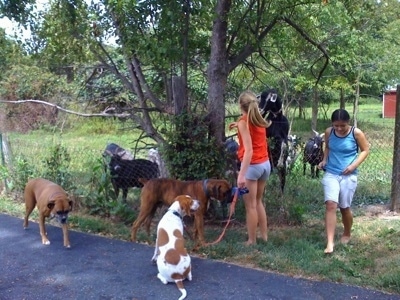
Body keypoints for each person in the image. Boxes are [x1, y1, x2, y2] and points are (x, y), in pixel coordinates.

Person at [318, 108, 369, 254]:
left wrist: (353, 166)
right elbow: (327, 147)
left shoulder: (356, 133)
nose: (339, 129)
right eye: (336, 126)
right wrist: (324, 160)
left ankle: (347, 233)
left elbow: (365, 150)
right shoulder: (329, 132)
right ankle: (330, 243)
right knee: (331, 205)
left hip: (349, 175)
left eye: (342, 126)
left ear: (348, 123)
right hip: (331, 173)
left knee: (344, 208)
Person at [229, 91, 271, 245]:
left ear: (240, 106)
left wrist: (241, 175)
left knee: (250, 205)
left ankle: (251, 240)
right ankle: (264, 237)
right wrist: (238, 125)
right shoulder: (258, 119)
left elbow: (249, 150)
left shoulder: (243, 122)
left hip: (252, 167)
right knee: (258, 202)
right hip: (265, 165)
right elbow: (251, 131)